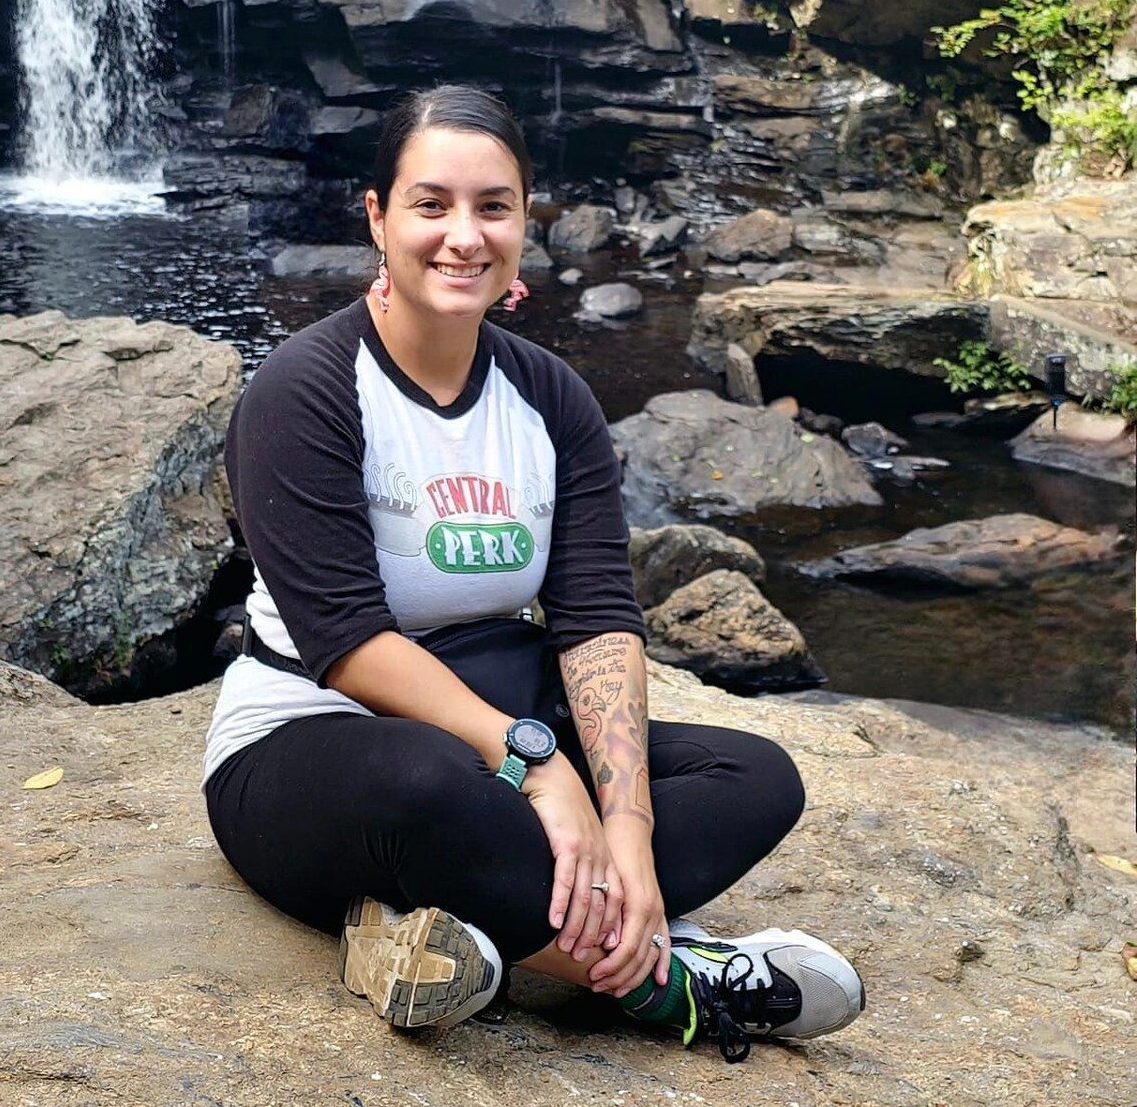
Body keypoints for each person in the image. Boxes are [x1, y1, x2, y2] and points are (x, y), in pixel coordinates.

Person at [202, 86, 864, 1062]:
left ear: (524, 222)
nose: (464, 236)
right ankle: (673, 979)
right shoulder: (303, 390)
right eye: (431, 205)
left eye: (494, 206)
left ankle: (444, 938)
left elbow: (596, 618)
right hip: (315, 746)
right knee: (432, 788)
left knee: (754, 778)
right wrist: (542, 771)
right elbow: (346, 644)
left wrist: (625, 826)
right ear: (378, 218)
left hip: (504, 727)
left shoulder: (551, 396)